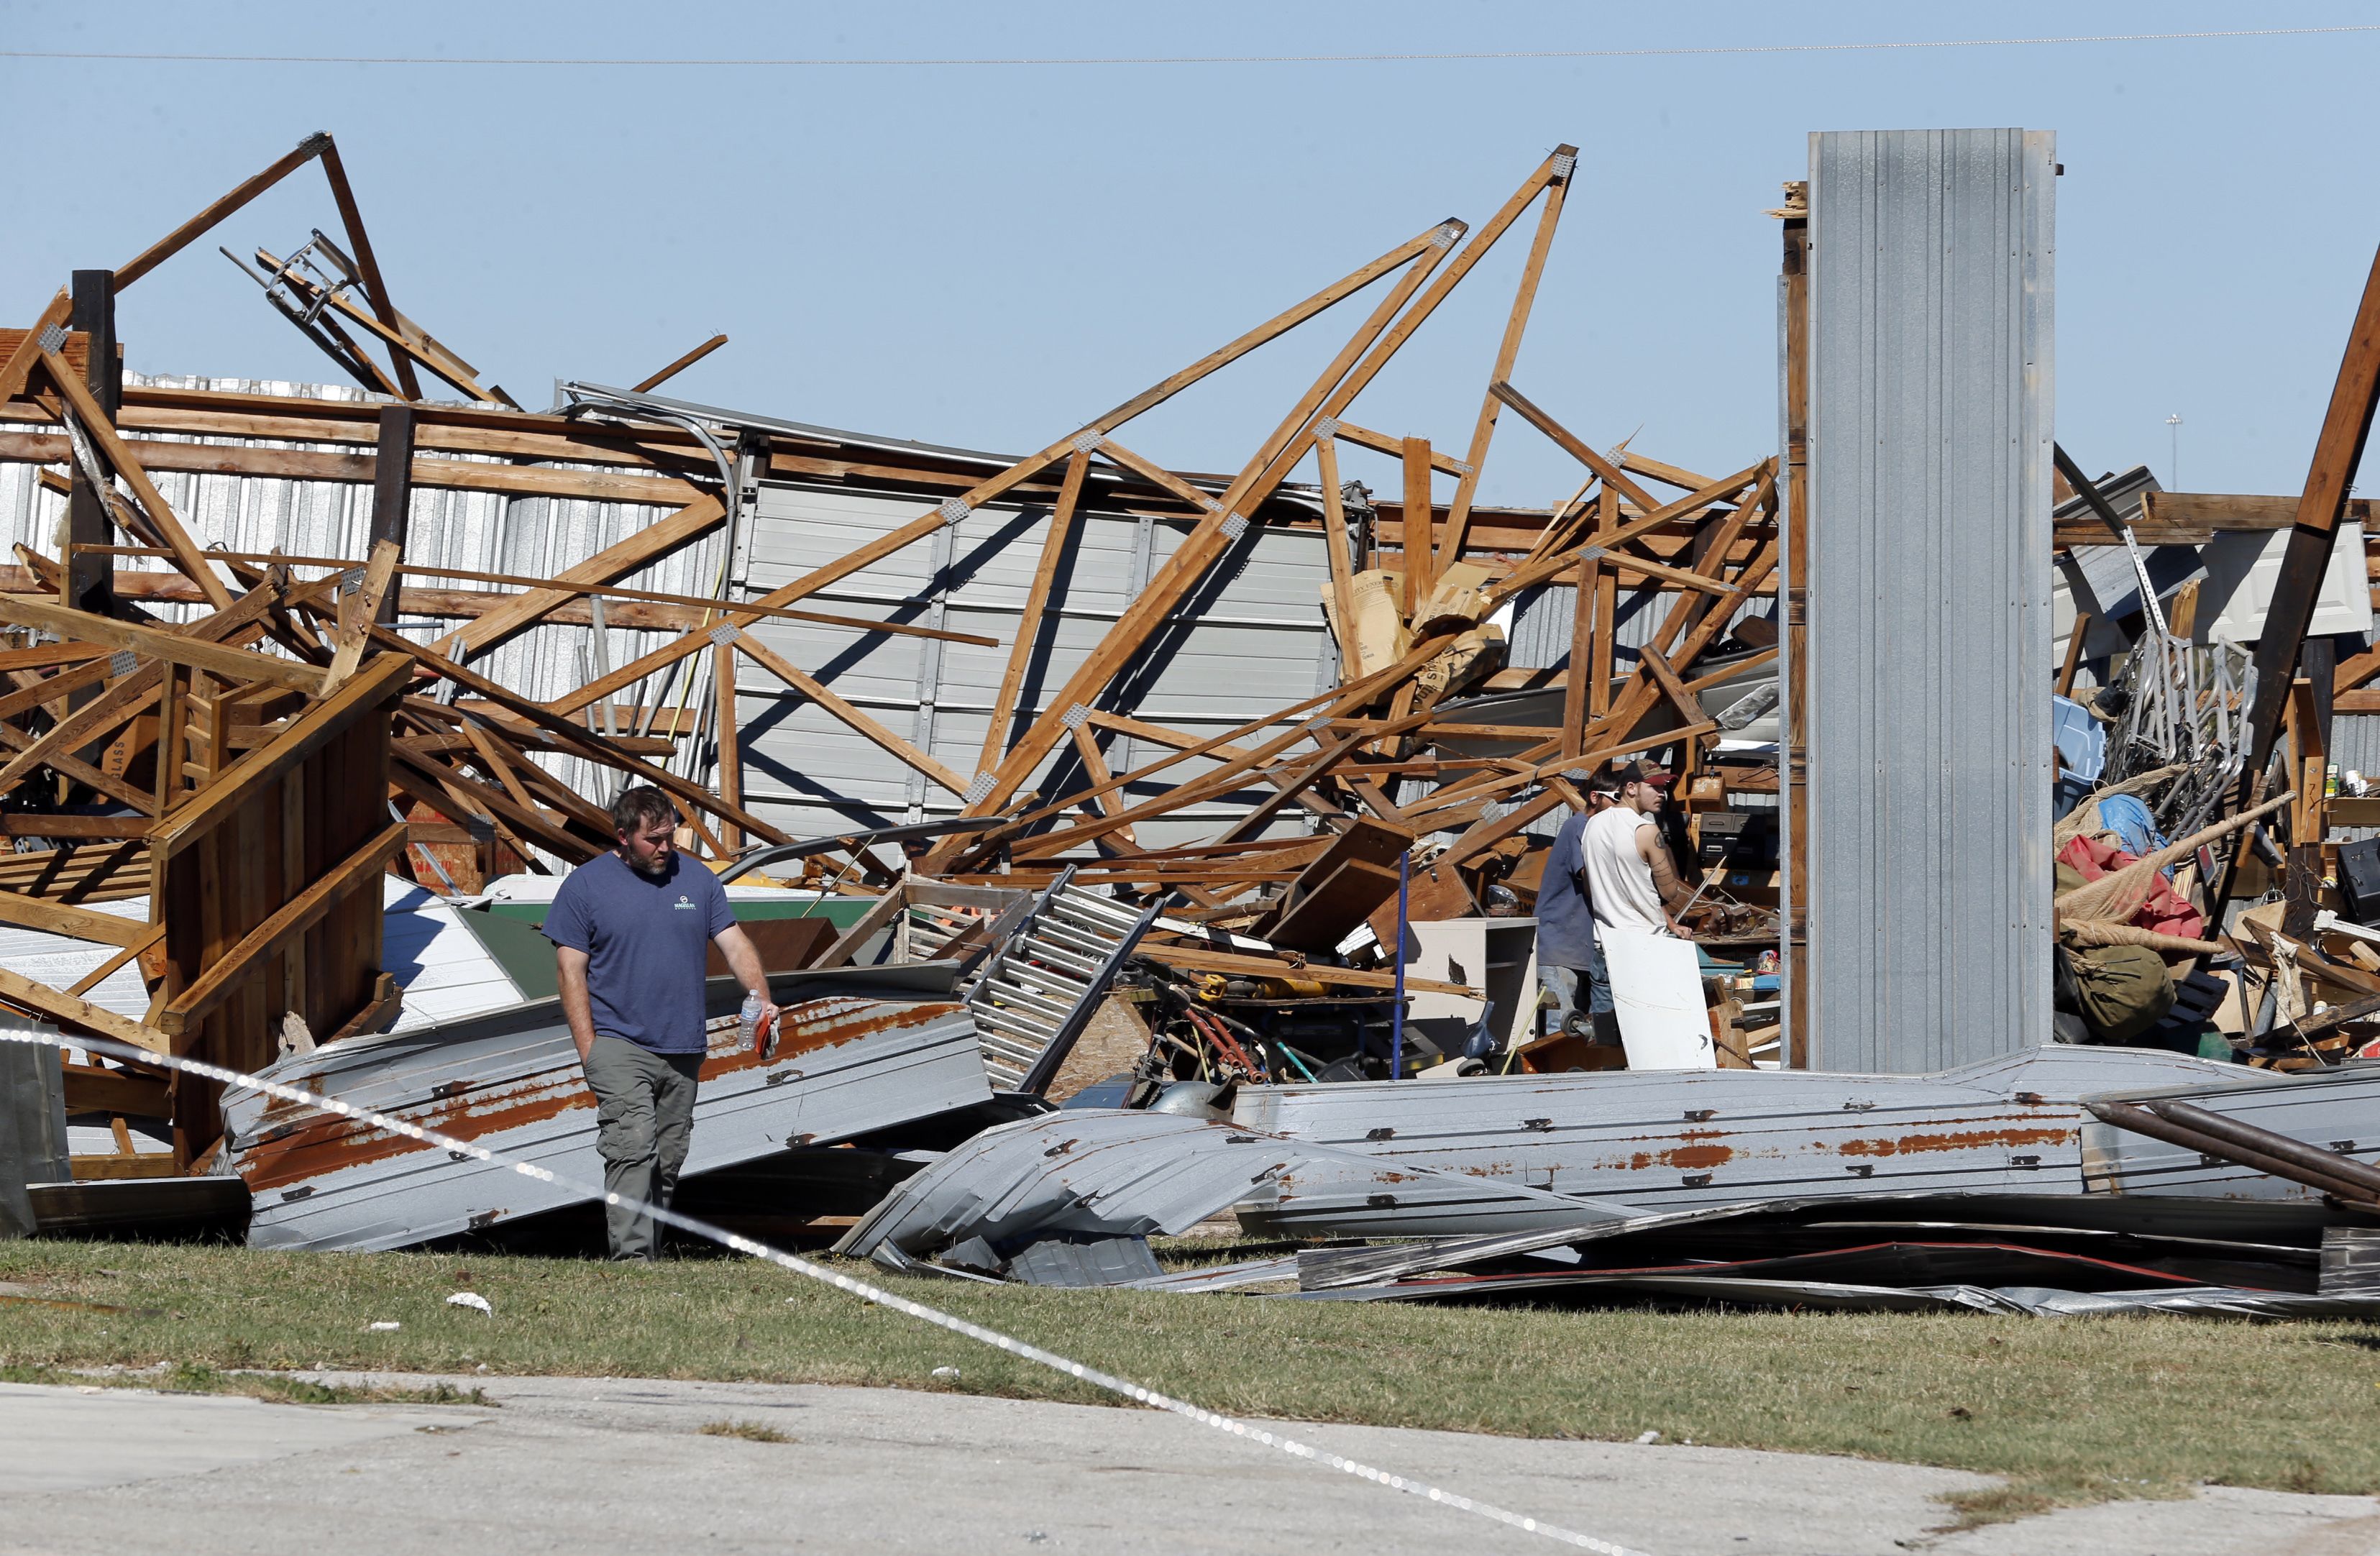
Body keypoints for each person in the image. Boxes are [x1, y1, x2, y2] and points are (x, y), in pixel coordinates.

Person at [544, 785, 779, 1260]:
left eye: (670, 836)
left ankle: (648, 1255)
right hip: (617, 1043)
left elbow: (735, 945)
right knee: (631, 1146)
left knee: (667, 1161)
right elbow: (571, 971)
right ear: (622, 836)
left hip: (684, 1045)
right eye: (653, 839)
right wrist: (589, 1049)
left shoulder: (698, 881)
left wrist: (763, 1002)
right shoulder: (585, 887)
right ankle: (632, 1262)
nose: (665, 848)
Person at [1536, 768, 1621, 1043]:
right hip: (1560, 946)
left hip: (1581, 947)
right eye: (1616, 798)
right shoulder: (1580, 827)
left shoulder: (1598, 829)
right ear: (1595, 797)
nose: (1621, 806)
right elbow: (1591, 877)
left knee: (1582, 1031)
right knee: (1560, 1033)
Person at [1581, 760, 1693, 943]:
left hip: (1605, 940)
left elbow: (1588, 886)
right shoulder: (1646, 830)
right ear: (1631, 788)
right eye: (1655, 787)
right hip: (1644, 940)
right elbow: (1669, 892)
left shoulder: (1592, 824)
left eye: (1663, 788)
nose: (1662, 794)